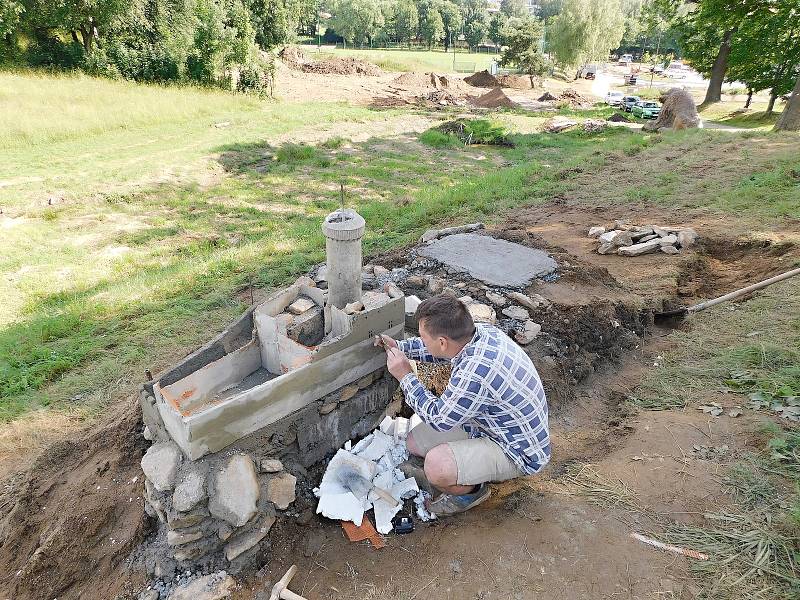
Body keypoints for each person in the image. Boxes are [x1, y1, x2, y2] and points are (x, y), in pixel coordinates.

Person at [375, 294, 550, 516]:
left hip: (517, 450)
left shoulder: (476, 372)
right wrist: (401, 347)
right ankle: (467, 468)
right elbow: (441, 352)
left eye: (423, 337)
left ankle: (472, 492)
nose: (421, 340)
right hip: (490, 425)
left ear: (442, 342)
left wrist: (405, 376)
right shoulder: (479, 334)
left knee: (436, 466)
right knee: (414, 443)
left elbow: (438, 419)